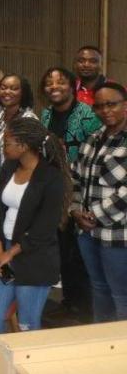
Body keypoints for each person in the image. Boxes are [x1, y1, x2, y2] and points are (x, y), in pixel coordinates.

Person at [0, 117, 68, 347]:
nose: (3, 146)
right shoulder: (9, 166)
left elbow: (45, 227)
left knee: (27, 326)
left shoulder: (50, 177)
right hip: (3, 250)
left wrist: (10, 255)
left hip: (34, 257)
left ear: (23, 145)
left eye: (7, 142)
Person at [41, 66, 101, 320]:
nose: (54, 87)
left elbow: (96, 151)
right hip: (55, 189)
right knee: (63, 249)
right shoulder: (45, 115)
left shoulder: (87, 115)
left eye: (60, 82)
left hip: (82, 191)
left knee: (80, 252)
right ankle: (69, 302)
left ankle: (86, 308)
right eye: (49, 83)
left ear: (72, 85)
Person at [71, 82, 127, 322]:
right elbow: (75, 179)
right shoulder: (92, 140)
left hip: (117, 235)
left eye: (111, 104)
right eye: (99, 106)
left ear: (125, 105)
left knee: (121, 296)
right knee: (99, 289)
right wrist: (74, 211)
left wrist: (93, 215)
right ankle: (103, 347)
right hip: (87, 233)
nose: (106, 110)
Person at [0, 74, 38, 193]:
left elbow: (33, 160)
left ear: (23, 93)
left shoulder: (28, 120)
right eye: (3, 88)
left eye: (14, 88)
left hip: (16, 190)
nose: (7, 92)